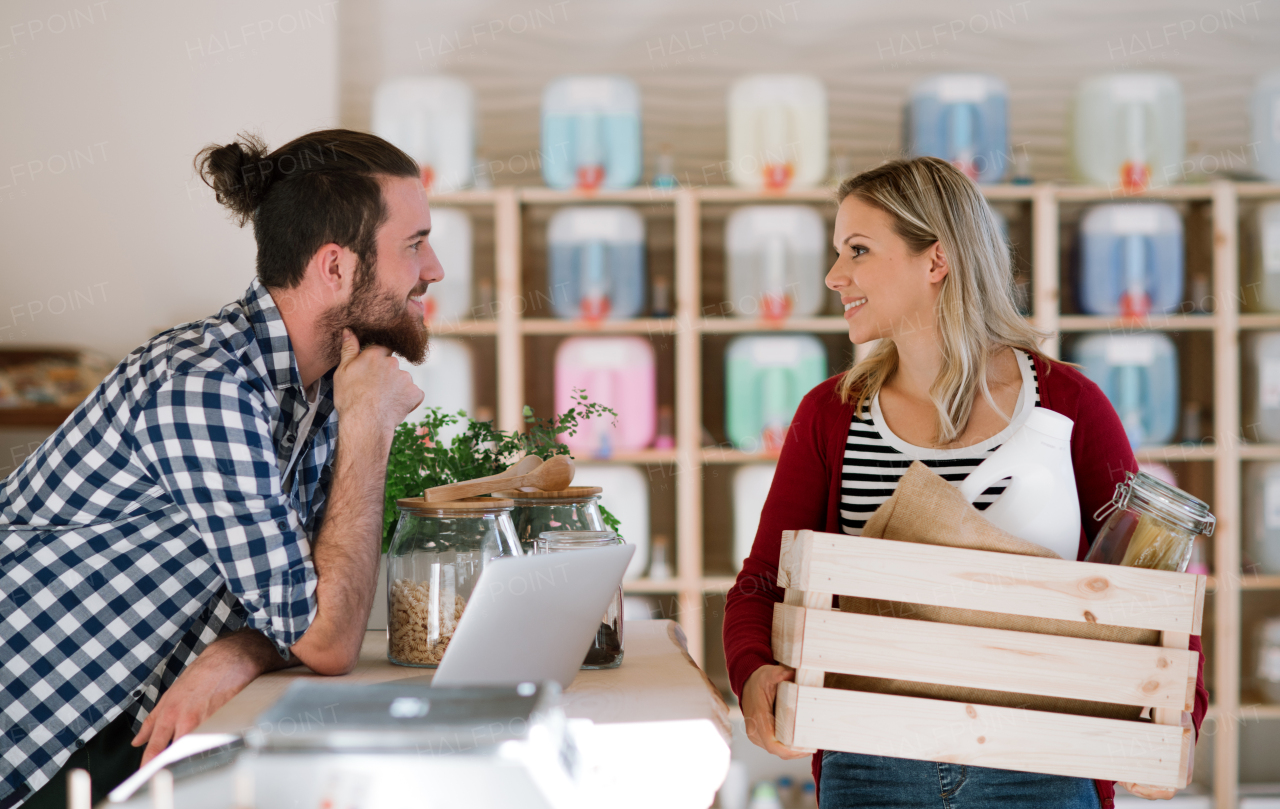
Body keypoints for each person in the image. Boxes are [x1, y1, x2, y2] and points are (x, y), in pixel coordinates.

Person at [722, 156, 1208, 809]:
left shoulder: (1068, 406)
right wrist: (753, 672)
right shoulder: (831, 415)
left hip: (1046, 763)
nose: (836, 276)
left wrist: (1179, 715)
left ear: (936, 260)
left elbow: (1154, 590)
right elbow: (760, 579)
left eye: (858, 251)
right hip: (872, 763)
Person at [0, 129, 439, 808]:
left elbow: (321, 609)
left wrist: (239, 650)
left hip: (122, 729)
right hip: (35, 741)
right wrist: (371, 426)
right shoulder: (207, 387)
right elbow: (326, 637)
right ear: (334, 267)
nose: (433, 269)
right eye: (414, 244)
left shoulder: (321, 392)